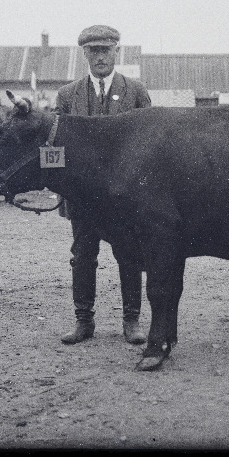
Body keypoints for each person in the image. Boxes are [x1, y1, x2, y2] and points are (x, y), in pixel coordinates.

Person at [54, 25, 152, 345]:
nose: (100, 57)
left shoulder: (136, 92)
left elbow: (150, 146)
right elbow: (55, 145)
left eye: (105, 51)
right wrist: (58, 184)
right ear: (84, 54)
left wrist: (142, 189)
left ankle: (131, 321)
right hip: (82, 197)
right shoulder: (68, 95)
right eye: (93, 51)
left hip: (124, 198)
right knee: (83, 256)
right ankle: (84, 321)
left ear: (116, 53)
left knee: (129, 255)